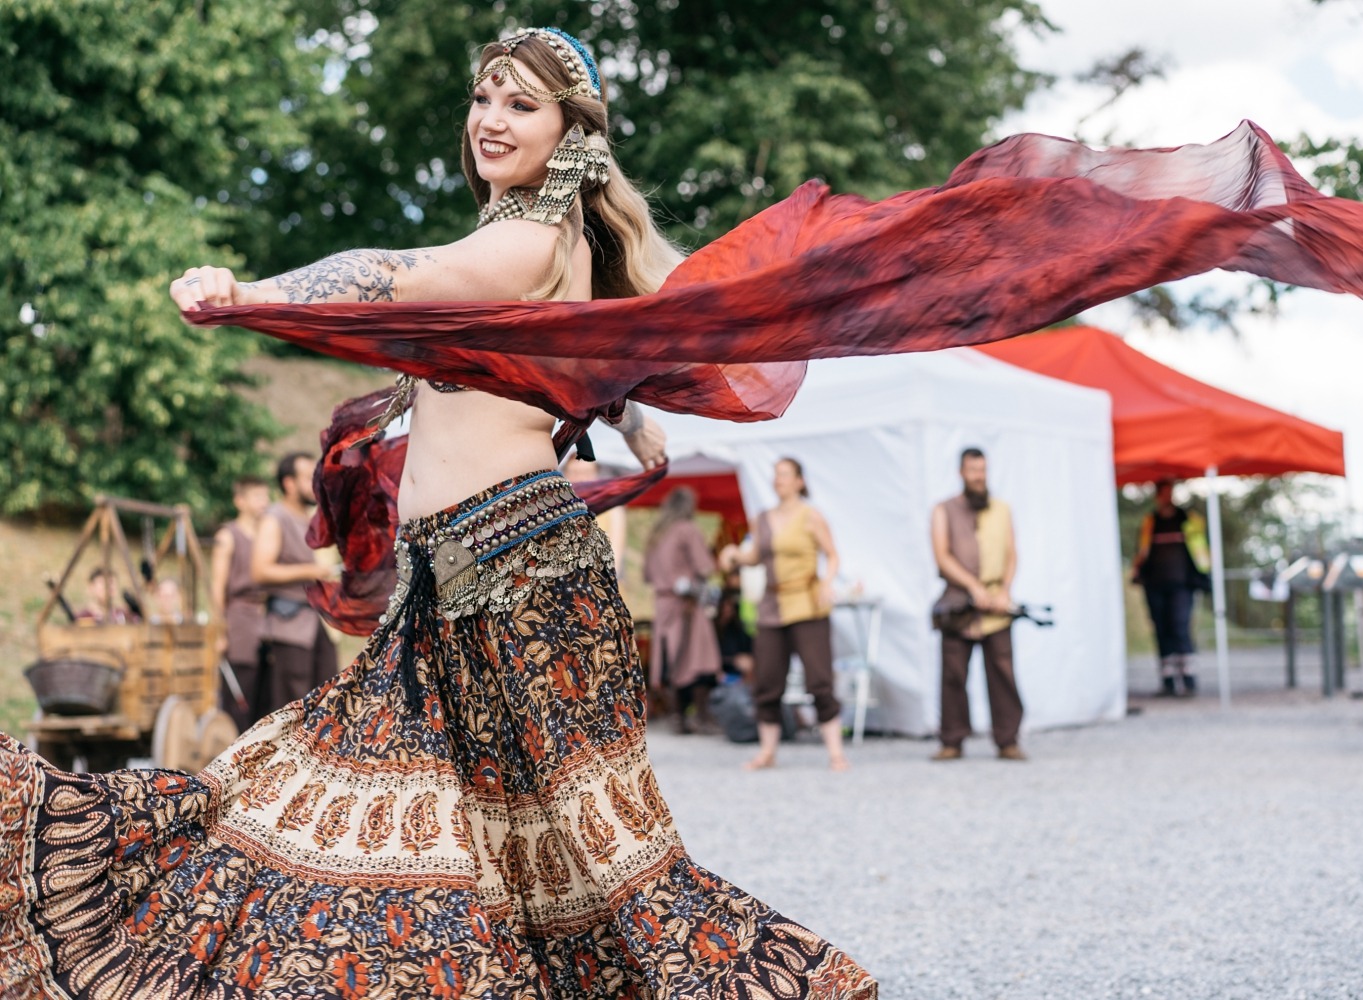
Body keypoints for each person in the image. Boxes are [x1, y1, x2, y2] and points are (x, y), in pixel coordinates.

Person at [0, 29, 875, 999]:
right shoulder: (561, 247)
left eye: (521, 104)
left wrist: (251, 293)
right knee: (461, 847)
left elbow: (396, 276)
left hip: (517, 582)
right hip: (455, 580)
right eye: (484, 97)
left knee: (567, 857)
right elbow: (566, 351)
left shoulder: (526, 239)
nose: (491, 120)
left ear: (572, 132)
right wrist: (624, 409)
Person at [722, 458, 850, 772]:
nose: (778, 480)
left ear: (799, 481)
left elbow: (832, 555)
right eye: (775, 475)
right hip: (772, 607)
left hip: (806, 604)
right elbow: (754, 556)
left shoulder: (811, 517)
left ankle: (835, 752)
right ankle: (768, 752)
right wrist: (735, 555)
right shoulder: (763, 519)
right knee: (767, 681)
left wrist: (827, 582)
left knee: (819, 679)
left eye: (784, 475)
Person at [930, 447, 1026, 761]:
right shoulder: (943, 510)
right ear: (962, 472)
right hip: (958, 604)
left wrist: (1005, 591)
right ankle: (952, 740)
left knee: (1002, 671)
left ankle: (1008, 739)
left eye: (982, 470)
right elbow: (942, 556)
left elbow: (1012, 553)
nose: (978, 476)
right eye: (972, 470)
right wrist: (972, 587)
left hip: (997, 605)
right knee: (953, 673)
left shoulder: (1001, 509)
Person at [252, 452, 342, 712]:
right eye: (307, 478)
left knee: (328, 702)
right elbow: (260, 570)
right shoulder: (275, 518)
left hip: (321, 623)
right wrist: (309, 570)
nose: (316, 483)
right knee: (292, 707)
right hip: (289, 626)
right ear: (289, 483)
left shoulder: (315, 518)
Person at [642, 486, 721, 733]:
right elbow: (705, 567)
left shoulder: (657, 534)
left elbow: (647, 574)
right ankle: (701, 716)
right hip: (687, 604)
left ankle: (678, 717)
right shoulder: (687, 530)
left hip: (662, 603)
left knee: (670, 658)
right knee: (697, 660)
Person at [1132, 479, 1211, 696]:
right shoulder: (1151, 521)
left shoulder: (1188, 520)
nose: (1167, 497)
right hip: (1155, 584)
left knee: (1179, 627)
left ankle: (1188, 679)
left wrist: (1202, 576)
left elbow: (1201, 549)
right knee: (1161, 630)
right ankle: (1167, 681)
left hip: (1182, 585)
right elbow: (1142, 550)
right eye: (1163, 493)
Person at [210, 475, 272, 730]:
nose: (264, 502)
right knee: (239, 691)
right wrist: (220, 630)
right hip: (239, 618)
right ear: (240, 501)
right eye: (257, 496)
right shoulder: (228, 535)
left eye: (266, 496)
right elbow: (217, 586)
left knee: (265, 691)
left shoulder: (268, 534)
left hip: (267, 616)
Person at [72, 566, 137, 625]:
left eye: (111, 582)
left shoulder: (123, 614)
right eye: (102, 583)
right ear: (91, 587)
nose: (108, 587)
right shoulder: (84, 617)